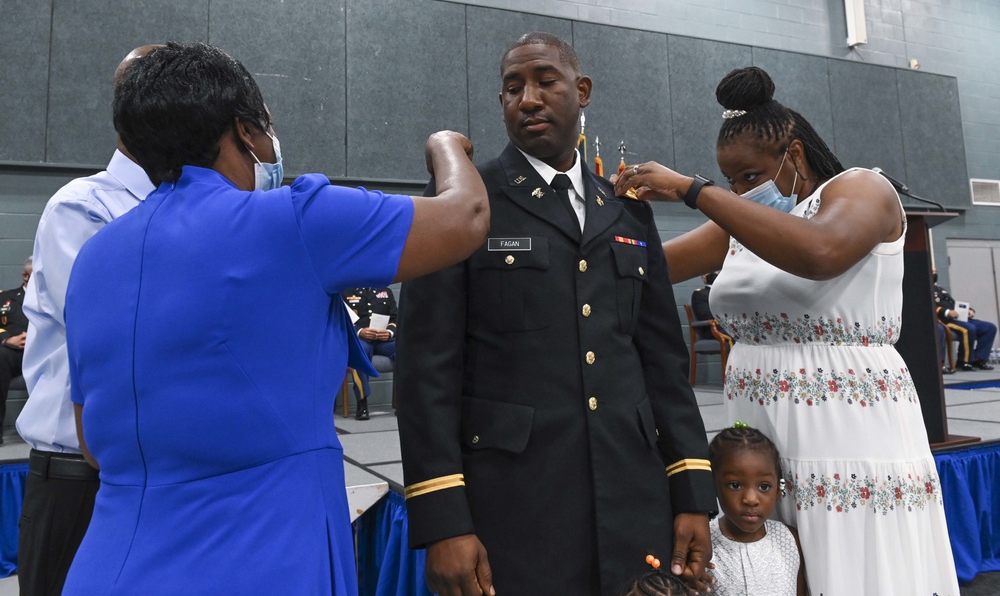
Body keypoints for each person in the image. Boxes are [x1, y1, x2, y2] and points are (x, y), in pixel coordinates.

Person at [61, 41, 488, 596]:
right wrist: (446, 146)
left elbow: (92, 443)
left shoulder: (94, 259)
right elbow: (467, 216)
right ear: (244, 131)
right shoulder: (292, 221)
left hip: (107, 564)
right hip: (263, 556)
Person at [613, 66, 960, 594]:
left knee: (849, 560)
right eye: (730, 181)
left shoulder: (863, 188)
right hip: (761, 424)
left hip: (846, 428)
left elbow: (821, 252)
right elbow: (648, 266)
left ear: (794, 156)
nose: (739, 193)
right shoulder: (744, 221)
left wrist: (694, 191)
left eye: (749, 177)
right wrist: (604, 221)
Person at [397, 32, 716, 596]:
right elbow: (426, 369)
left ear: (582, 89)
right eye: (512, 88)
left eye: (546, 81)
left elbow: (664, 363)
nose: (528, 98)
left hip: (631, 495)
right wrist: (444, 520)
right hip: (517, 505)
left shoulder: (627, 212)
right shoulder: (467, 202)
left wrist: (691, 489)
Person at [16, 45, 158, 596]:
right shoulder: (84, 206)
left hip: (147, 472)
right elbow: (117, 333)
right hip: (78, 475)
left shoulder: (179, 205)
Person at [706, 424, 804, 596]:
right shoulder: (703, 544)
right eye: (735, 485)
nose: (751, 499)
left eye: (764, 486)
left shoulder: (789, 540)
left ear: (777, 489)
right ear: (714, 485)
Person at [342, 286, 398, 420]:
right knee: (359, 352)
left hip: (384, 340)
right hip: (361, 340)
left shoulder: (385, 291)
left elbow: (396, 319)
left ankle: (404, 402)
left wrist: (389, 332)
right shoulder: (345, 291)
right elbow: (341, 319)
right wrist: (360, 331)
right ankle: (362, 402)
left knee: (404, 349)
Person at [934, 269, 996, 371]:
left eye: (935, 271)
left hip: (959, 317)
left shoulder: (941, 289)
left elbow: (954, 304)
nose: (934, 273)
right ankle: (964, 361)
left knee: (989, 328)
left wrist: (968, 310)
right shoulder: (926, 290)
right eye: (932, 272)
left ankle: (979, 359)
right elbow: (932, 307)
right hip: (945, 320)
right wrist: (947, 312)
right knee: (968, 329)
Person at [0, 256, 31, 442]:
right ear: (25, 276)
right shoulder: (5, 298)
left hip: (44, 353)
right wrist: (7, 339)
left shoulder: (52, 299)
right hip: (14, 354)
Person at [690, 271, 732, 347]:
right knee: (741, 336)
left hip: (730, 327)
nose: (715, 275)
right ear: (703, 278)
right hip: (713, 330)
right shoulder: (700, 294)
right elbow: (705, 315)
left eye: (717, 272)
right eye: (712, 272)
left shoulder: (725, 293)